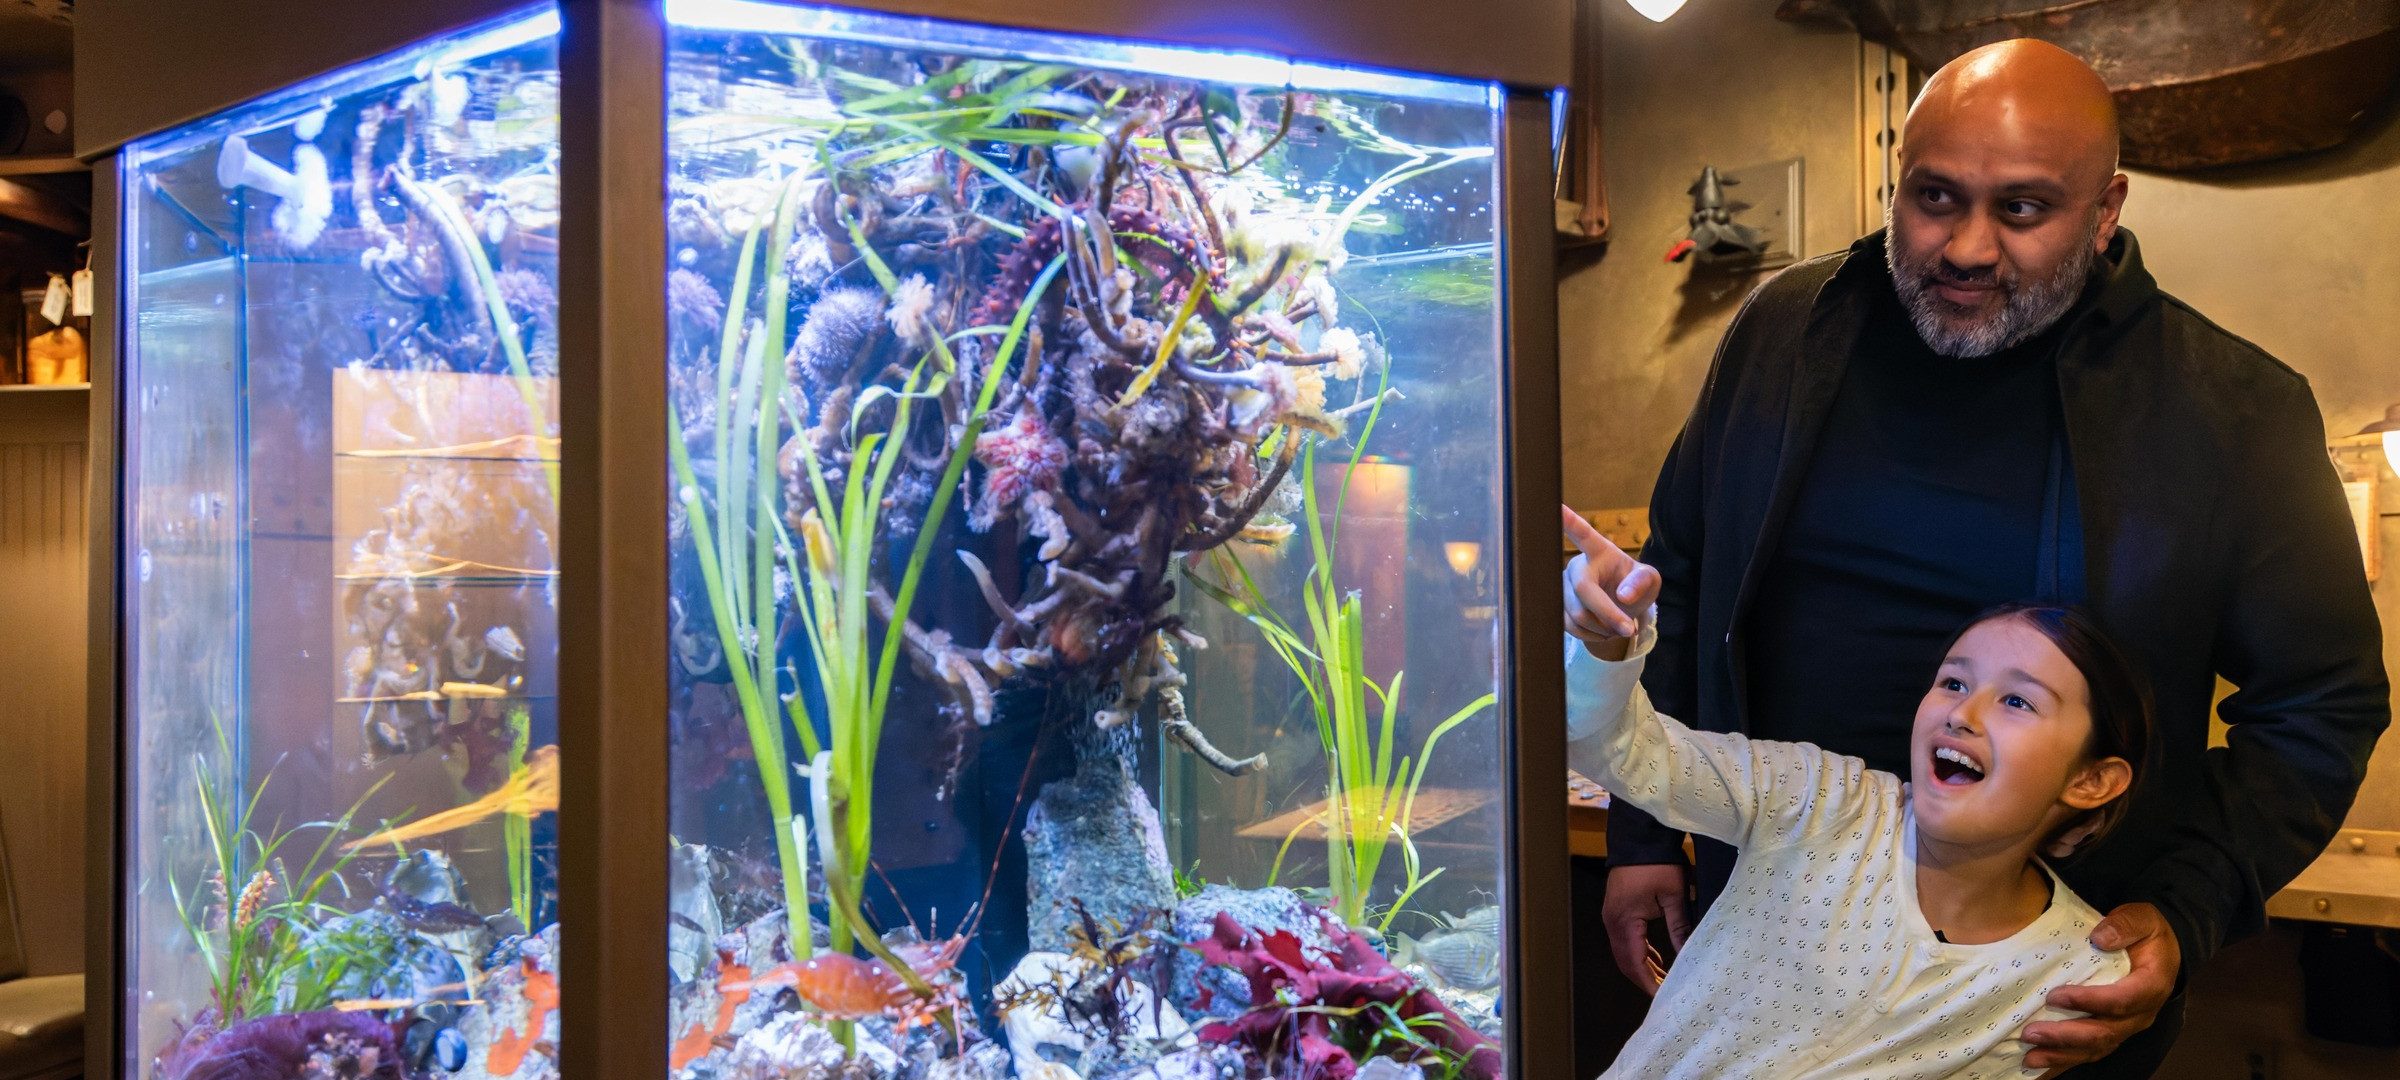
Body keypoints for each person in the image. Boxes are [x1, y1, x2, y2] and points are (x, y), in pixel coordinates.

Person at [1597, 37, 2389, 1077]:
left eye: (2021, 209)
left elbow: (2323, 702)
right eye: (1935, 198)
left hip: (2029, 1000)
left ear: (2105, 210)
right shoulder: (1786, 330)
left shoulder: (2235, 410)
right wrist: (1643, 837)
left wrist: (2188, 903)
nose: (1966, 247)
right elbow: (1682, 578)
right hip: (1769, 940)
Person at [1565, 508, 2143, 1078]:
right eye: (1952, 681)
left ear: (2092, 780)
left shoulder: (2078, 974)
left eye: (2017, 701)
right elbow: (1624, 749)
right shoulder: (1822, 799)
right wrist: (1604, 642)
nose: (1962, 713)